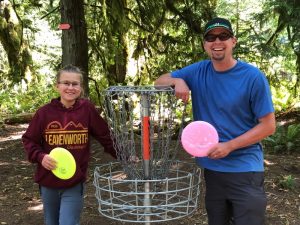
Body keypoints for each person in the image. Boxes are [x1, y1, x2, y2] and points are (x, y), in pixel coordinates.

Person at [155, 17, 276, 225]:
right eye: (211, 37)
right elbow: (159, 82)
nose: (217, 41)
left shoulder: (253, 77)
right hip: (213, 169)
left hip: (245, 169)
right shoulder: (198, 71)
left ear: (233, 41)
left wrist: (229, 146)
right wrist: (177, 80)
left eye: (223, 36)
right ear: (205, 44)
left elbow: (268, 125)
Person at [22, 65, 117, 225]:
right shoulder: (44, 113)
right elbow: (29, 140)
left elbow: (105, 136)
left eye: (75, 84)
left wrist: (126, 156)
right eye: (66, 83)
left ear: (81, 87)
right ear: (57, 86)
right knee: (51, 222)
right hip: (48, 181)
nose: (70, 87)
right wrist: (40, 156)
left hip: (74, 181)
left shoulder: (87, 109)